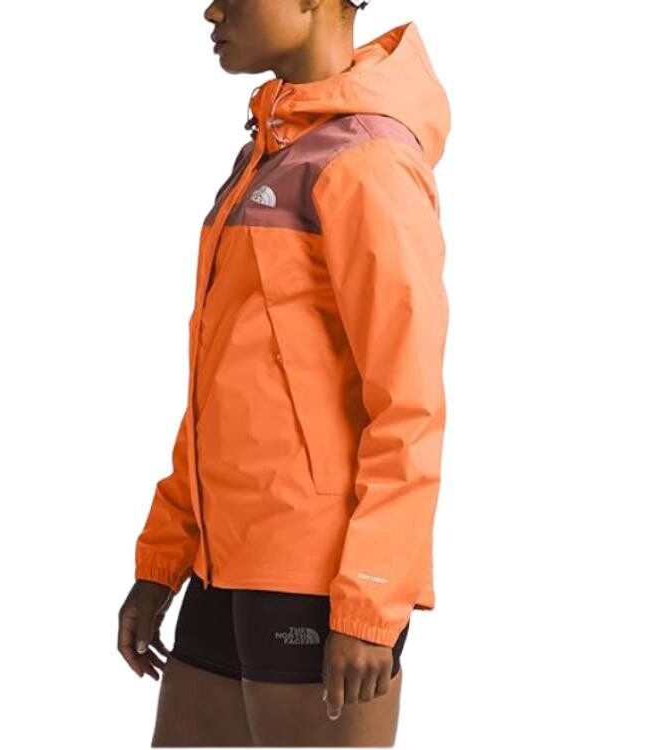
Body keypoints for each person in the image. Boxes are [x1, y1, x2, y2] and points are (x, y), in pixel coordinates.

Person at [118, 0, 451, 745]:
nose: (212, 10)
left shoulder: (365, 161)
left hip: (318, 577)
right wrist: (164, 558)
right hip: (224, 561)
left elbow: (409, 405)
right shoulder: (270, 153)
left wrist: (371, 602)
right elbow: (224, 390)